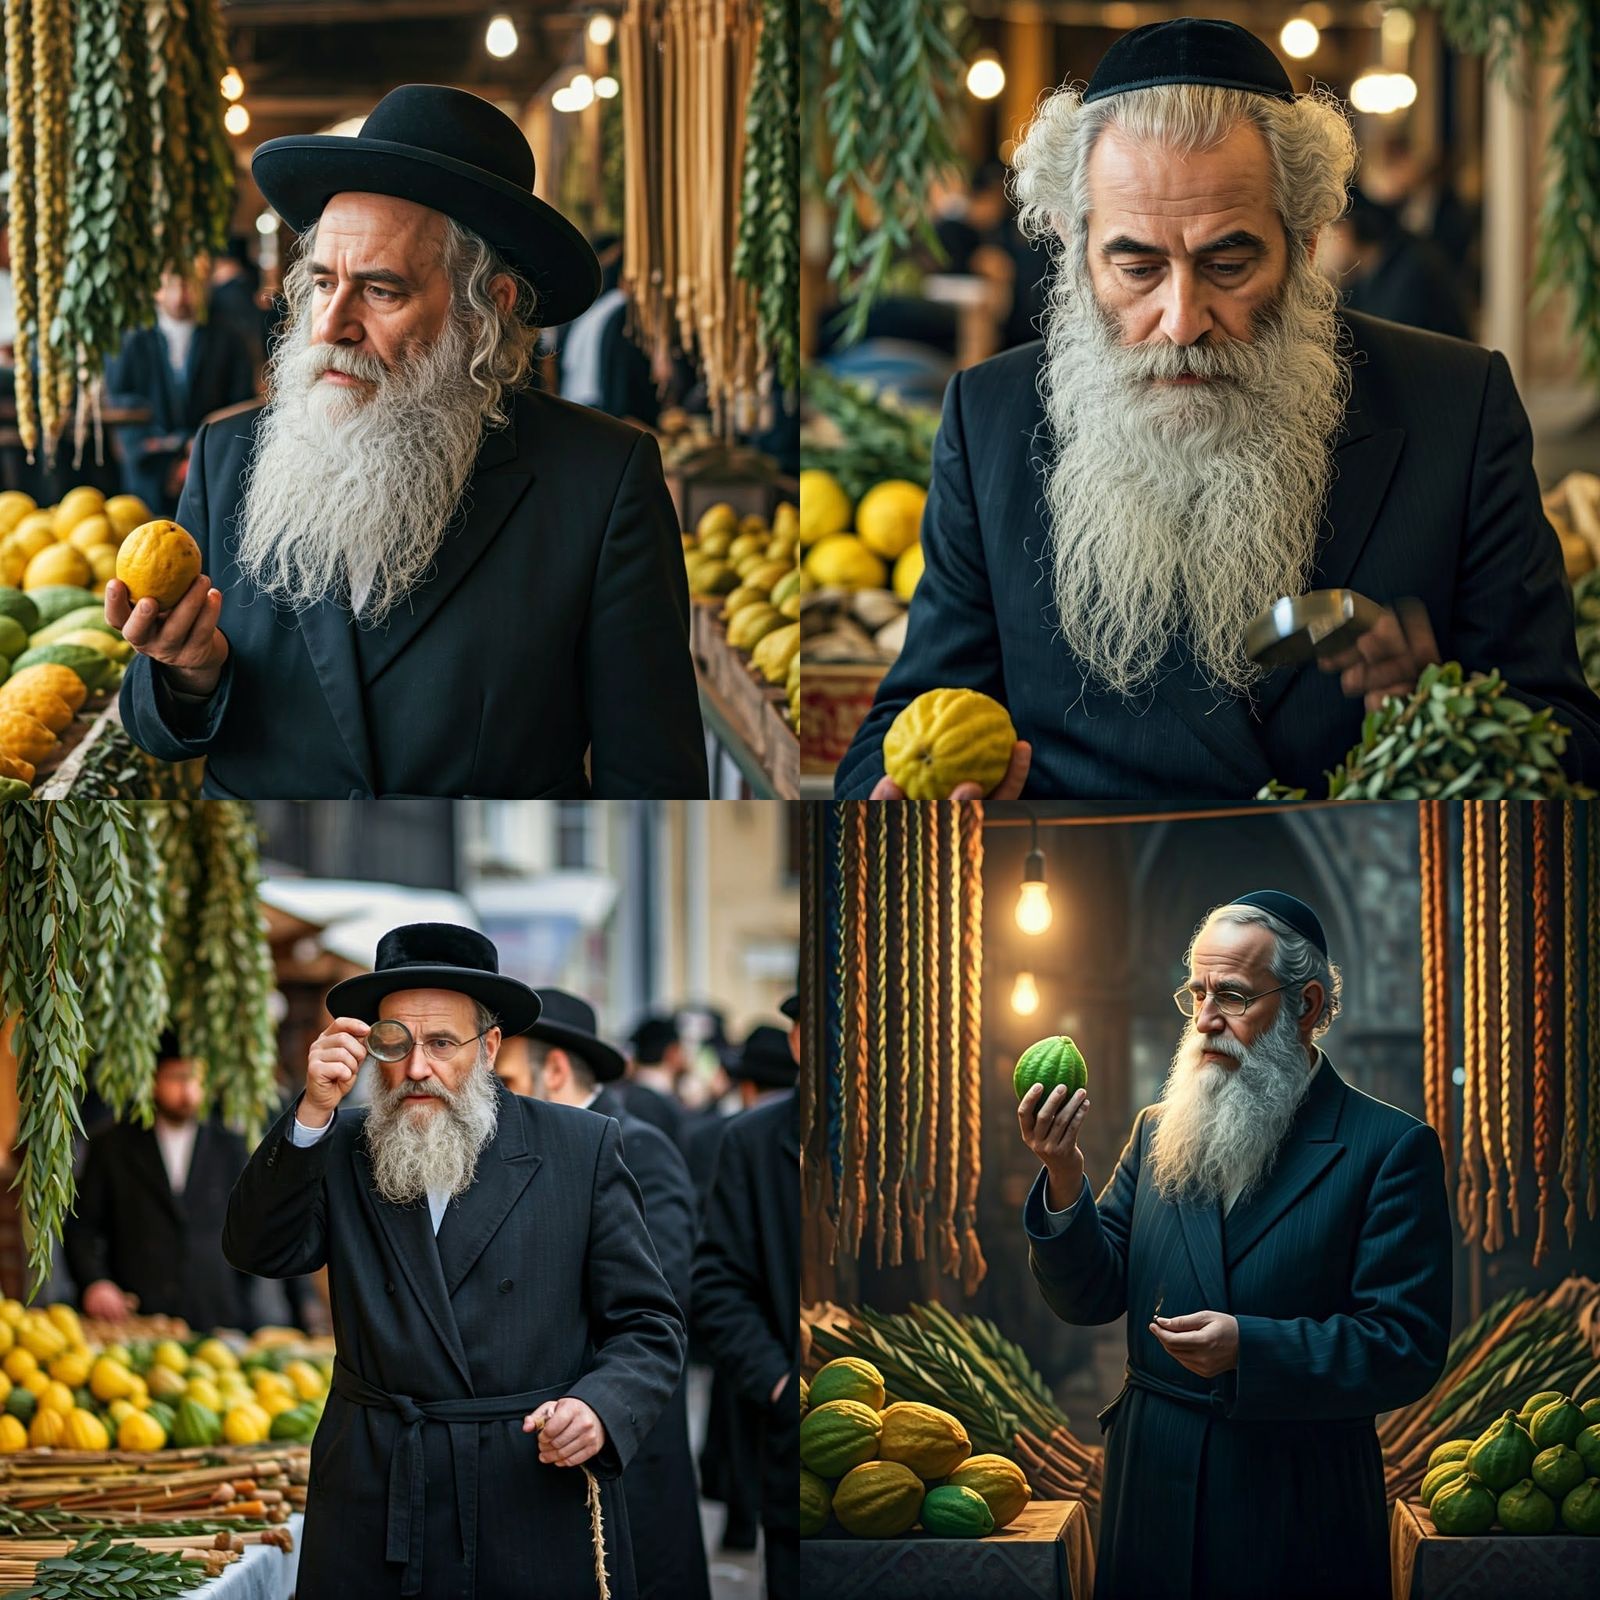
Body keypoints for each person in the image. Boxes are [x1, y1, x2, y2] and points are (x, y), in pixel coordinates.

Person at [835, 18, 1600, 804]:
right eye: (1137, 267)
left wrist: (1443, 715)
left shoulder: (1457, 406)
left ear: (1305, 243)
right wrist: (909, 807)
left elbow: (1568, 739)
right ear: (1074, 247)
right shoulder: (988, 419)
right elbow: (902, 721)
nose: (1181, 320)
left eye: (1228, 264)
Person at [111, 84, 707, 799]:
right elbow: (157, 728)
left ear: (487, 308)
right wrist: (189, 672)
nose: (331, 325)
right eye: (323, 282)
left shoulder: (602, 481)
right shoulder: (227, 454)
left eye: (381, 290)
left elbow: (652, 781)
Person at [222, 924, 685, 1599]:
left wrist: (600, 1407)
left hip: (525, 1492)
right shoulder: (338, 1142)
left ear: (489, 1047)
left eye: (441, 1043)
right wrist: (312, 1110)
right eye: (394, 1042)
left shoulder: (580, 1148)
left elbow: (648, 1325)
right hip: (374, 1490)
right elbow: (257, 1250)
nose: (416, 1068)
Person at [1020, 892, 1450, 1600]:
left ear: (1307, 1006)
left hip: (1294, 1503)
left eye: (1234, 996)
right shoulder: (1158, 1130)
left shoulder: (1390, 1148)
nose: (1206, 1020)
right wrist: (1064, 1175)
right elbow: (1090, 1296)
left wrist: (1251, 1348)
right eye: (1197, 994)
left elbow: (1406, 1347)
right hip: (1152, 1484)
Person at [506, 990, 711, 1600]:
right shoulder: (520, 1149)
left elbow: (660, 1293)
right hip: (550, 1444)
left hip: (625, 1439)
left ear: (555, 1070)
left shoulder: (636, 1146)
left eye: (507, 1081)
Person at [693, 1003, 800, 1600]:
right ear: (800, 1041)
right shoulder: (752, 1141)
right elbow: (716, 1285)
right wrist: (779, 1385)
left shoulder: (912, 1137)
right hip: (796, 1448)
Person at [65, 1034, 258, 1332]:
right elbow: (82, 1227)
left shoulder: (230, 1146)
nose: (188, 1091)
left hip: (217, 1315)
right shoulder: (112, 1145)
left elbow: (253, 1229)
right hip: (137, 1317)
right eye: (177, 1078)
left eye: (195, 1078)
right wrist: (95, 1282)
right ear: (153, 1079)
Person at [103, 270, 259, 516]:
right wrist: (166, 463)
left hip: (206, 473)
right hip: (147, 477)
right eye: (170, 285)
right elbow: (120, 404)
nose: (179, 296)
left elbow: (240, 408)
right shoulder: (131, 341)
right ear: (156, 289)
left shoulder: (228, 339)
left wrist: (194, 460)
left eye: (187, 286)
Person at [1321, 189, 1470, 340]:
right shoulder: (1362, 282)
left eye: (1324, 231)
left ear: (1348, 228)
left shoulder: (1413, 270)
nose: (1319, 249)